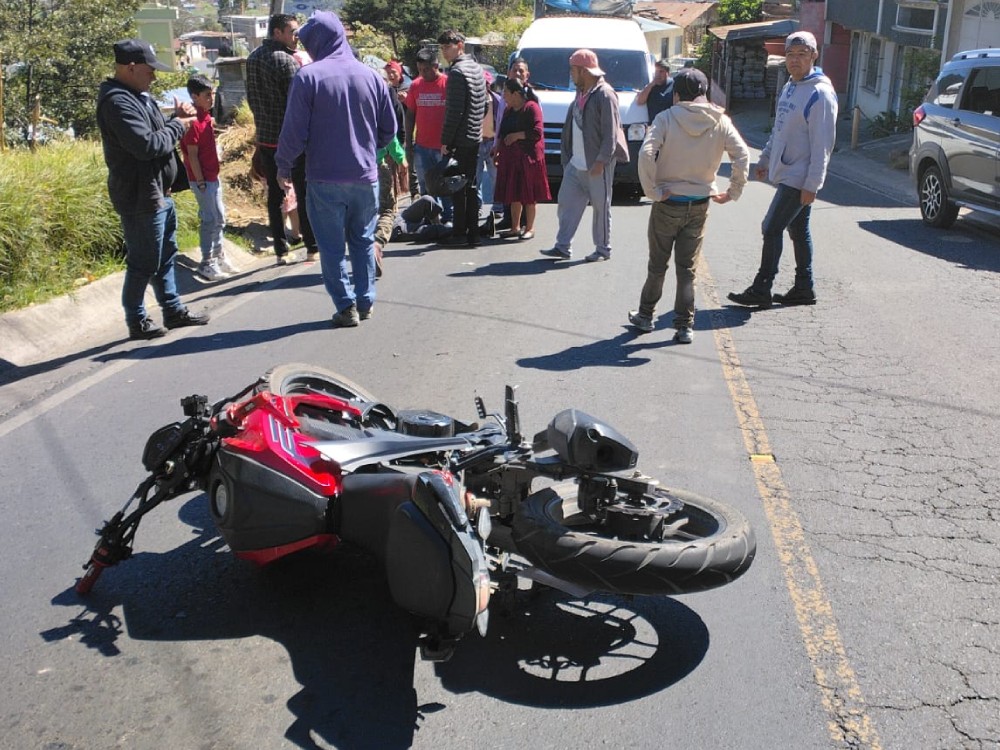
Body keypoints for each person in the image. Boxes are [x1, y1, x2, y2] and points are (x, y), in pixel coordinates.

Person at [276, 11, 396, 328]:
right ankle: (366, 300)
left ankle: (345, 307)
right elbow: (390, 128)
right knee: (362, 240)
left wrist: (283, 165)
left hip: (324, 179)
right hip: (365, 177)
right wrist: (370, 147)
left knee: (331, 247)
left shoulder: (308, 77)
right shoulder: (372, 77)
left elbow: (294, 132)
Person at [96, 39, 209, 340]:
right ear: (131, 68)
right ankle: (137, 319)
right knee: (144, 261)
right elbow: (147, 145)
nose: (154, 77)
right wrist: (178, 126)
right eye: (150, 70)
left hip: (160, 191)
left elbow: (159, 133)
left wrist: (175, 119)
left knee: (166, 255)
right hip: (141, 194)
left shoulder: (139, 96)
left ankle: (172, 309)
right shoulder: (117, 102)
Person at [627, 68, 749, 344]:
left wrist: (653, 191)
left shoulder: (666, 118)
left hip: (668, 200)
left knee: (658, 265)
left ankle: (646, 316)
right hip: (699, 204)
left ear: (677, 94)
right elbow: (742, 155)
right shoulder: (720, 120)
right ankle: (684, 326)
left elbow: (647, 153)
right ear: (704, 93)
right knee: (687, 269)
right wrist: (733, 191)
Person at [728, 30, 837, 308]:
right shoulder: (790, 86)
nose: (795, 60)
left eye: (802, 54)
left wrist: (813, 184)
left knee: (771, 227)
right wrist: (764, 159)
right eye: (790, 54)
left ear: (814, 55)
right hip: (787, 171)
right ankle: (804, 288)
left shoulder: (819, 94)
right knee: (798, 230)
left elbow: (823, 145)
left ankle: (762, 288)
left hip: (799, 177)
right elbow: (779, 129)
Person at [540, 49, 628, 262]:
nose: (570, 74)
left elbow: (611, 132)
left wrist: (601, 160)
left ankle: (603, 249)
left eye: (573, 69)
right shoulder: (581, 92)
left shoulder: (605, 94)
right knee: (566, 203)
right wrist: (567, 159)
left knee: (600, 208)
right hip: (576, 163)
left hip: (597, 164)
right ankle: (562, 246)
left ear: (583, 71)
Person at [246, 14, 318, 265]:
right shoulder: (286, 61)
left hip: (265, 139)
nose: (296, 36)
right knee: (303, 192)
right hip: (291, 140)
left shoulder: (253, 58)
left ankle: (280, 250)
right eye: (292, 31)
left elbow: (252, 99)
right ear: (277, 33)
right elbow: (298, 105)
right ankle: (311, 246)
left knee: (275, 197)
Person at [180, 75, 236, 282]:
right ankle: (207, 262)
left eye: (211, 94)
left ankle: (219, 256)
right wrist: (201, 181)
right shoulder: (193, 122)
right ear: (194, 96)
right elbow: (192, 155)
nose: (211, 98)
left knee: (220, 218)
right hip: (203, 180)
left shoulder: (206, 117)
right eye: (206, 95)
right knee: (209, 219)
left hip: (213, 176)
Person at [437, 29, 487, 247]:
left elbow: (454, 111)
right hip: (475, 136)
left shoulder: (457, 73)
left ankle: (459, 233)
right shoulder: (477, 68)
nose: (444, 52)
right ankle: (473, 232)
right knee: (471, 185)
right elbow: (484, 105)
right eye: (442, 48)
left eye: (447, 47)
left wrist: (446, 141)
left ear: (459, 45)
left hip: (460, 138)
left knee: (457, 186)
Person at [493, 77, 550, 240]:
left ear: (516, 94)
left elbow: (537, 132)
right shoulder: (509, 111)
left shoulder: (531, 108)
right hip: (511, 159)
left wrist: (517, 136)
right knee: (513, 194)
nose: (503, 96)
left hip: (528, 158)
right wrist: (497, 150)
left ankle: (530, 228)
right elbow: (502, 133)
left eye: (506, 92)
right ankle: (514, 227)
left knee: (528, 195)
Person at [404, 48, 449, 205]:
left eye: (427, 69)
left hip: (443, 147)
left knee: (444, 184)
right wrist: (408, 141)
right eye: (420, 69)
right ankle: (430, 218)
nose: (423, 73)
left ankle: (447, 220)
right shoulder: (415, 86)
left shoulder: (447, 84)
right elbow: (410, 115)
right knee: (425, 185)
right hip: (422, 147)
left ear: (436, 66)